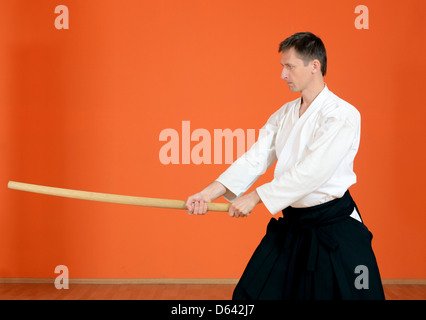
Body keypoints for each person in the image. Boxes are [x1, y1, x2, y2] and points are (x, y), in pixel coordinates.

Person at [185, 32, 385, 300]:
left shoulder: (341, 114)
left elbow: (313, 172)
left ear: (315, 66)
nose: (283, 74)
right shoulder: (283, 114)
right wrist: (208, 193)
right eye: (283, 66)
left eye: (289, 66)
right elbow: (254, 158)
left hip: (333, 226)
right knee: (249, 296)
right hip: (294, 225)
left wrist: (256, 197)